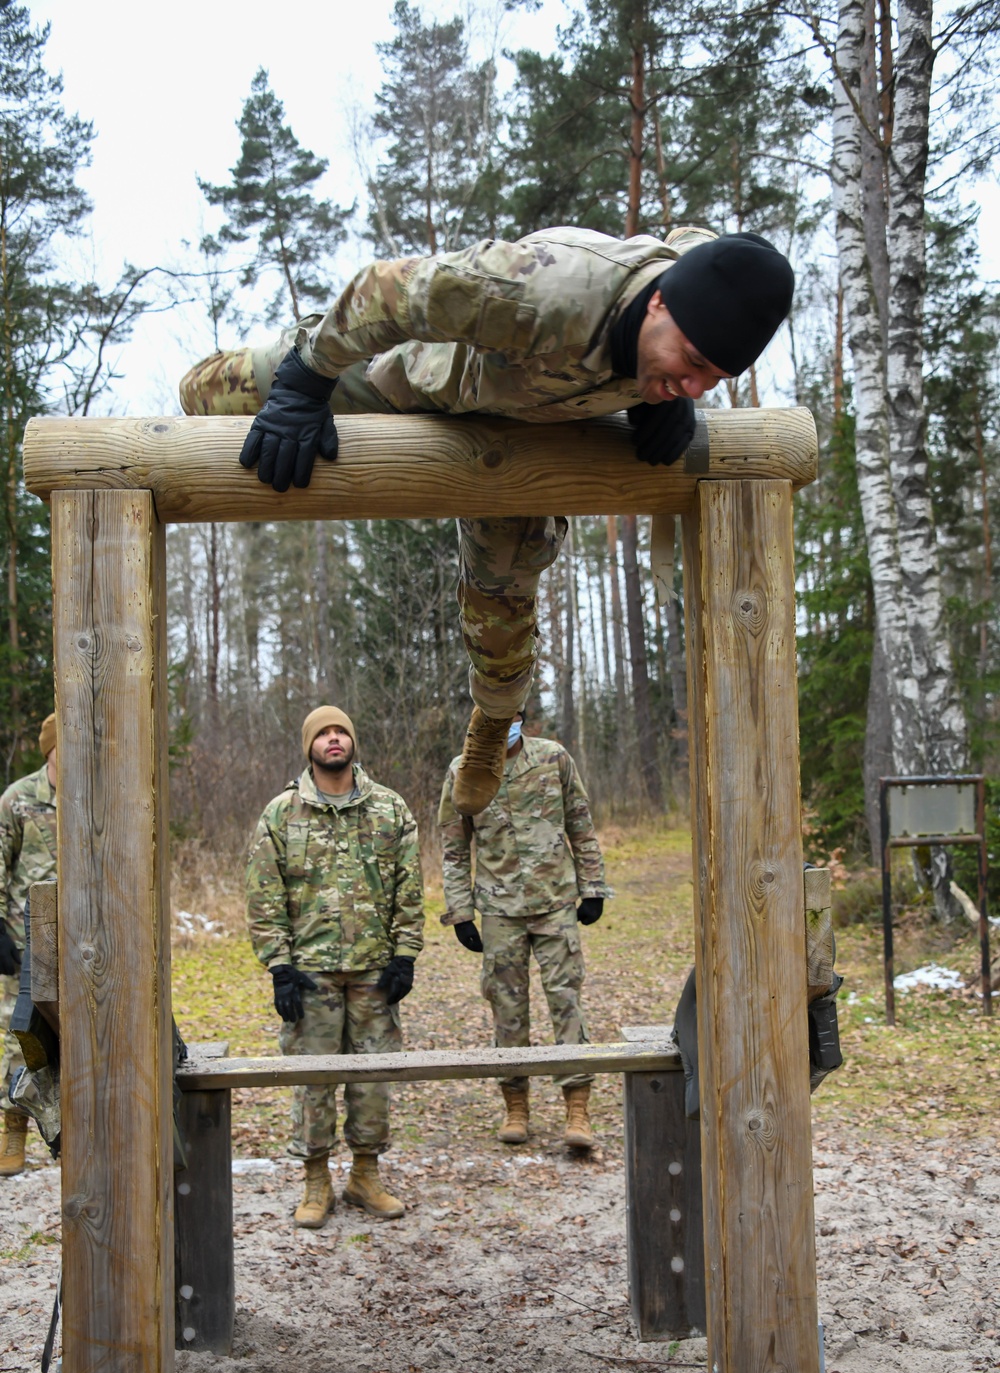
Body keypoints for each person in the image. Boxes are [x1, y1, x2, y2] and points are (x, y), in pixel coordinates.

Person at [180, 226, 795, 818]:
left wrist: (667, 393)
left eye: (713, 375)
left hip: (529, 433)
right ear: (658, 302)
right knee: (202, 395)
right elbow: (388, 289)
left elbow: (700, 244)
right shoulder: (537, 293)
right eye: (689, 361)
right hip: (413, 378)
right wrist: (305, 379)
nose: (695, 382)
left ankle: (494, 727)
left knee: (504, 590)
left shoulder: (690, 297)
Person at [246, 706, 424, 1226]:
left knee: (373, 1077)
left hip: (373, 971)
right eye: (323, 733)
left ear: (353, 742)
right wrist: (280, 966)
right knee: (314, 1079)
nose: (333, 739)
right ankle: (316, 1181)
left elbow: (409, 888)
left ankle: (365, 1175)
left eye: (341, 731)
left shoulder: (389, 809)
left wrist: (405, 955)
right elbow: (263, 895)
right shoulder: (281, 813)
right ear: (309, 746)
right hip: (311, 972)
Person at [438, 710, 611, 1148]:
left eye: (510, 715)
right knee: (507, 1009)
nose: (503, 723)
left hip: (555, 903)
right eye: (492, 716)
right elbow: (455, 848)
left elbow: (581, 824)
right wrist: (460, 913)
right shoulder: (464, 771)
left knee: (566, 1000)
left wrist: (592, 888)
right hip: (499, 910)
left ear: (521, 717)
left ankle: (577, 1109)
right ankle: (516, 1106)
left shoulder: (553, 758)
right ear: (478, 720)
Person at [0, 714, 57, 1177]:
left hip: (87, 946)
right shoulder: (18, 800)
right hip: (27, 944)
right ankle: (12, 1130)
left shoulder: (96, 796)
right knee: (22, 1039)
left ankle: (72, 1130)